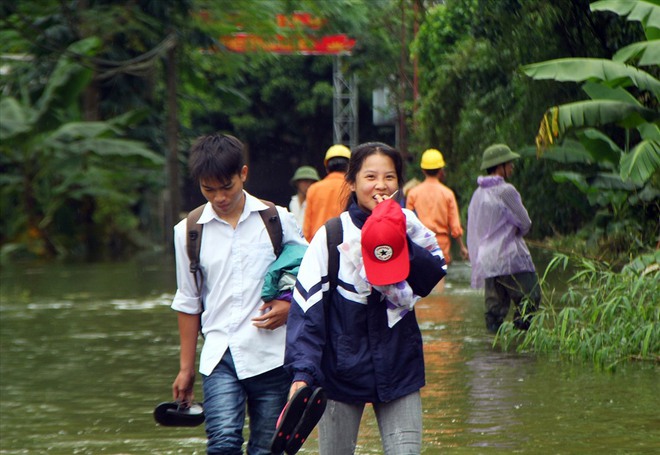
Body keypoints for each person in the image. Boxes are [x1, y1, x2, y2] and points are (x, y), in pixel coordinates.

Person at [285, 142, 447, 454]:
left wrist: (394, 235)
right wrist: (302, 374)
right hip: (339, 375)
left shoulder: (410, 224)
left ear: (399, 182)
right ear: (353, 181)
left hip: (400, 369)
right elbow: (307, 314)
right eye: (370, 177)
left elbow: (432, 277)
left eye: (389, 177)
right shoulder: (331, 236)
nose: (381, 186)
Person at [170, 133, 307, 454]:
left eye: (226, 186)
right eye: (209, 189)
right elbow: (188, 300)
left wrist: (290, 309)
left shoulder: (277, 220)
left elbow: (310, 278)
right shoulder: (188, 231)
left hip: (273, 356)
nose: (219, 197)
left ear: (243, 174)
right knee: (222, 443)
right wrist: (186, 368)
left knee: (268, 448)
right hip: (219, 356)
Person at [467, 143, 541, 333]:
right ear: (500, 166)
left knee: (494, 312)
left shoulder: (478, 193)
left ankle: (495, 353)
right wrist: (516, 234)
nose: (512, 167)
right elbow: (525, 222)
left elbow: (475, 228)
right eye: (509, 164)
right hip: (509, 257)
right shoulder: (506, 190)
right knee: (530, 298)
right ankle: (520, 341)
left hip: (488, 261)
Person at [406, 148, 469, 265]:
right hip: (441, 243)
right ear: (441, 170)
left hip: (419, 242)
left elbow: (408, 222)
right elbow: (455, 226)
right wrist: (462, 247)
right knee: (439, 278)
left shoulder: (413, 193)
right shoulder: (447, 193)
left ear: (423, 170)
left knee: (421, 280)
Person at [302, 144, 351, 242]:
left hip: (318, 242)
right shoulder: (353, 187)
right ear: (349, 167)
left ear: (327, 168)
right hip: (345, 242)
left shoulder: (314, 188)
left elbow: (307, 226)